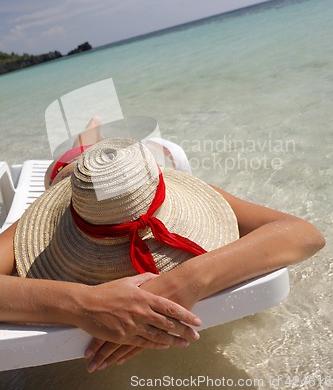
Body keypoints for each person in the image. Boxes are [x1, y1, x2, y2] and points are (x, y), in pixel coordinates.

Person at [0, 138, 325, 375]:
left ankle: (91, 134)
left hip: (118, 169)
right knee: (78, 149)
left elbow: (306, 234)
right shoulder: (51, 208)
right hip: (69, 175)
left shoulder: (146, 182)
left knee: (95, 144)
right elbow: (299, 234)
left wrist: (187, 280)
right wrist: (85, 303)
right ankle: (85, 138)